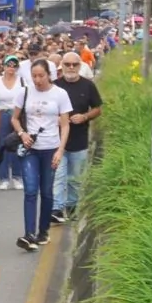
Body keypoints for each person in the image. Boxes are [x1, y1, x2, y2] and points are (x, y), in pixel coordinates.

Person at [13, 62, 72, 252]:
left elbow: (65, 125)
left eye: (41, 76)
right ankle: (29, 234)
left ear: (49, 75)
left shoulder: (60, 94)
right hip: (31, 148)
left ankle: (43, 230)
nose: (37, 80)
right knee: (30, 190)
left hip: (51, 147)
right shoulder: (25, 92)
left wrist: (60, 150)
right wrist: (22, 133)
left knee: (46, 192)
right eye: (34, 76)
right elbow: (15, 118)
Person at [51, 52, 102, 223]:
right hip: (57, 141)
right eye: (67, 64)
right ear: (62, 66)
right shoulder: (54, 86)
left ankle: (72, 206)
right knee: (58, 176)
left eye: (74, 64)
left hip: (79, 140)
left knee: (75, 178)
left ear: (80, 66)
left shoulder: (88, 86)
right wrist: (56, 119)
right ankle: (56, 208)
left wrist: (85, 117)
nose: (71, 68)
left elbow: (97, 108)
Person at [0, 55, 25, 189]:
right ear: (4, 66)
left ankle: (17, 176)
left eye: (14, 65)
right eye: (8, 65)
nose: (11, 68)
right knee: (3, 145)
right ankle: (3, 177)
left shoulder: (22, 81)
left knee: (17, 144)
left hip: (17, 114)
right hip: (2, 113)